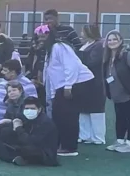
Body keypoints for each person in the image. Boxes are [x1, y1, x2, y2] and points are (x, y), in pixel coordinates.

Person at [39, 9, 93, 157]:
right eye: (39, 38)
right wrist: (52, 93)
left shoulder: (60, 46)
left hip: (77, 83)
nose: (40, 40)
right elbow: (51, 75)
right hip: (63, 86)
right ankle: (62, 143)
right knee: (58, 114)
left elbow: (72, 66)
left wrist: (68, 86)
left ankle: (70, 147)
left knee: (67, 115)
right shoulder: (49, 52)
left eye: (43, 37)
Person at [0, 96, 59, 166]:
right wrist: (0, 123)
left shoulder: (45, 122)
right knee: (0, 134)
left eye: (32, 108)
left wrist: (18, 128)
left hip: (43, 152)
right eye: (27, 108)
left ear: (39, 109)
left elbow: (30, 141)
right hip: (26, 142)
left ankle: (11, 157)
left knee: (25, 149)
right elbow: (16, 119)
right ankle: (14, 158)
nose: (29, 110)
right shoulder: (24, 115)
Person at [76, 24, 107, 146]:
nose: (81, 34)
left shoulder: (99, 45)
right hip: (84, 81)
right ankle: (85, 135)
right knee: (83, 109)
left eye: (83, 31)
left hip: (95, 81)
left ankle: (98, 137)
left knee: (96, 110)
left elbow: (93, 62)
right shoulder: (85, 45)